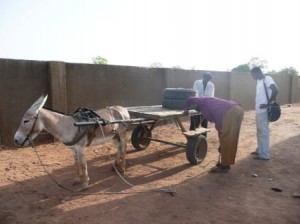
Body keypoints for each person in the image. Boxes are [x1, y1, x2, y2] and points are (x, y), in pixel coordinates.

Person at [184, 96, 244, 173]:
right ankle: (226, 164)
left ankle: (223, 166)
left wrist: (186, 110)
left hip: (230, 112)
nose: (198, 111)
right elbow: (219, 124)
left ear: (198, 106)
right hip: (238, 109)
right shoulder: (209, 102)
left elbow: (189, 99)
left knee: (226, 139)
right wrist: (221, 141)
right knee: (232, 138)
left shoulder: (203, 101)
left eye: (197, 109)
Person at [250, 67, 278, 160]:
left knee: (264, 132)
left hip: (264, 111)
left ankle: (265, 155)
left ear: (258, 72)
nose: (252, 77)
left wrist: (268, 104)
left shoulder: (267, 79)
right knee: (259, 131)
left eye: (253, 75)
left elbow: (275, 90)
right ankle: (260, 150)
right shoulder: (259, 81)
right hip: (259, 110)